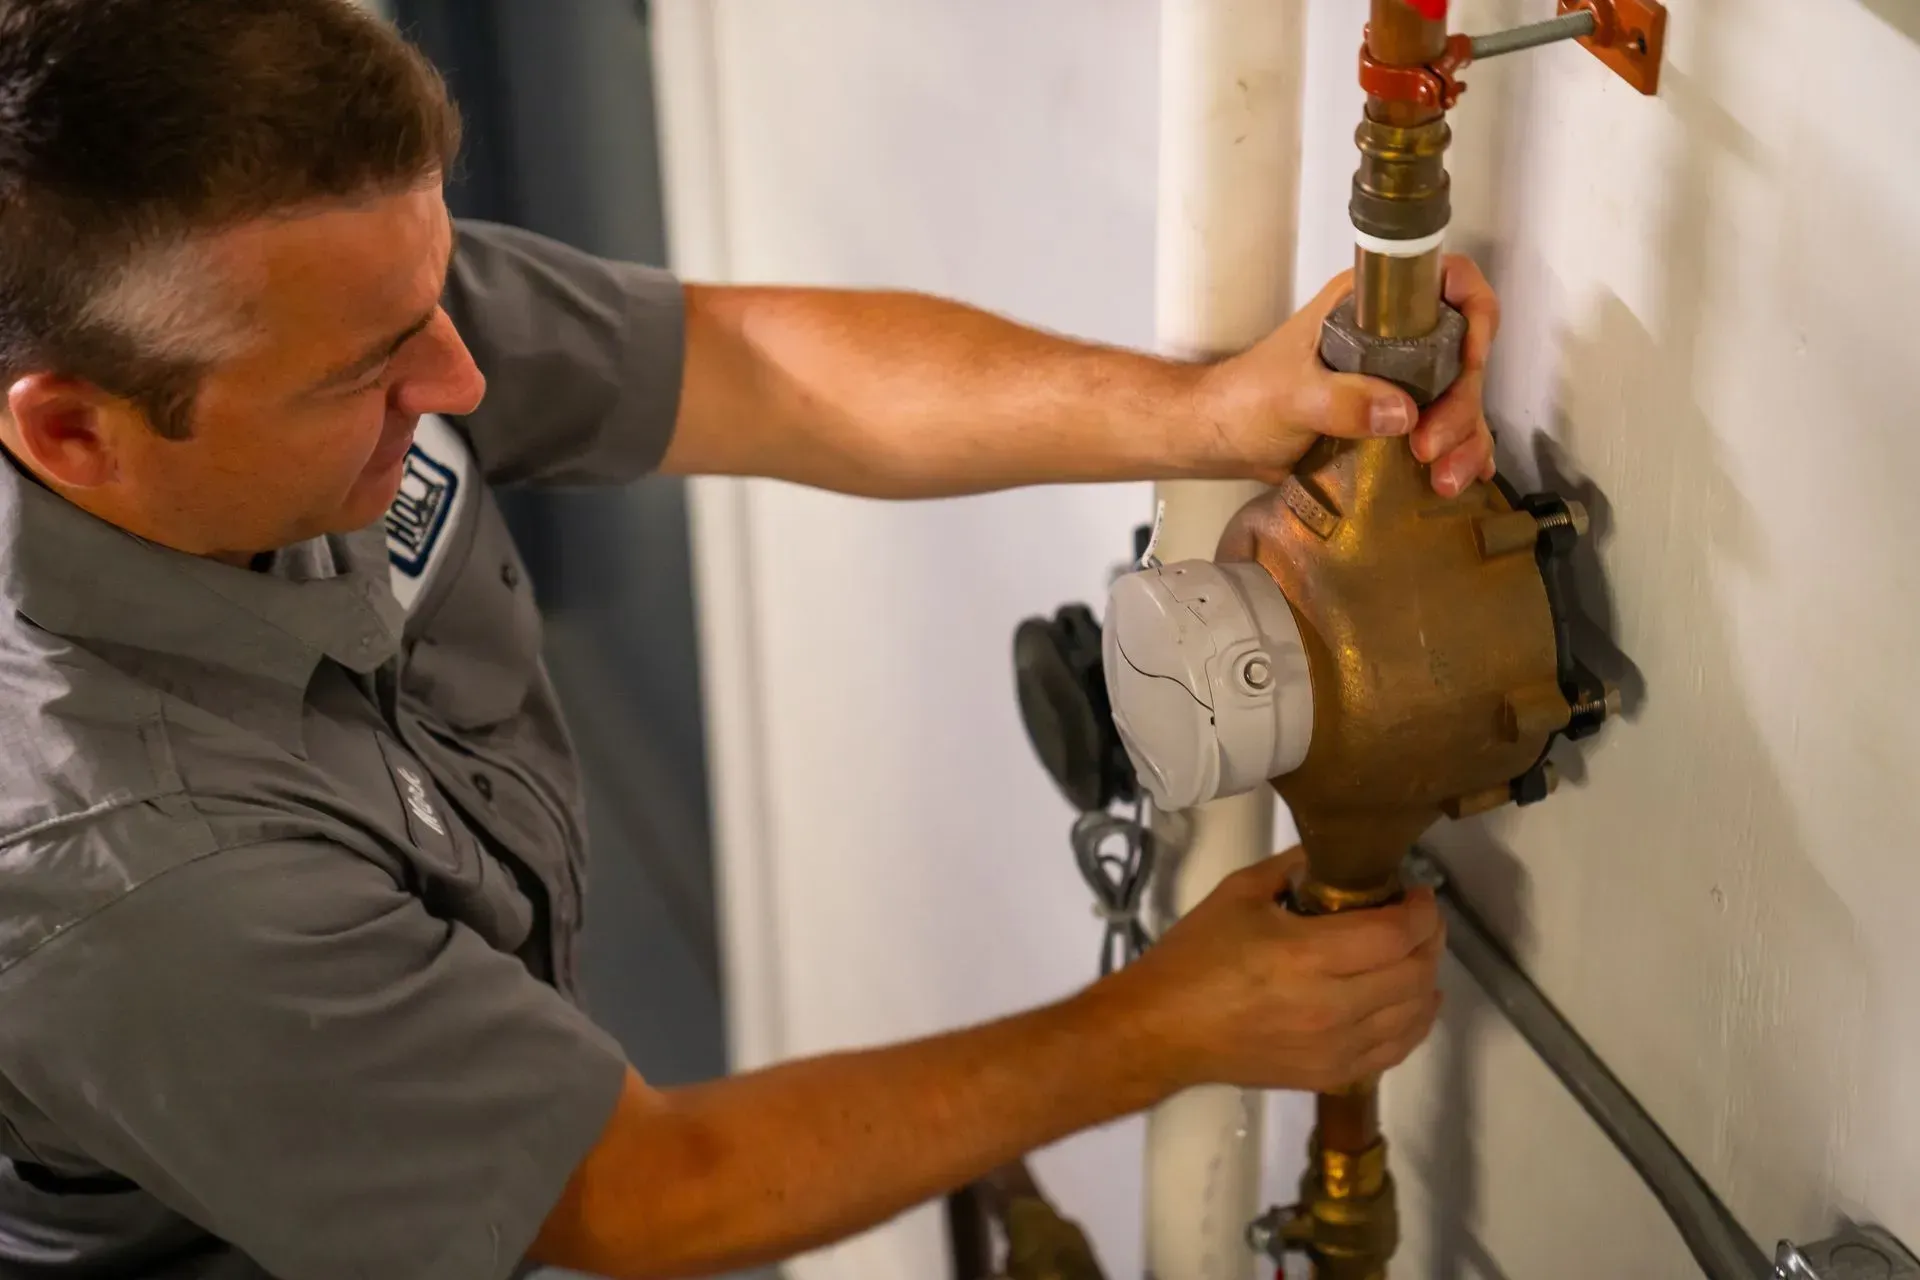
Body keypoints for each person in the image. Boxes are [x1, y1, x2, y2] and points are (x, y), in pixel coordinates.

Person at [0, 2, 1498, 1277]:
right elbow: (636, 1189)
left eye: (434, 298)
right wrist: (1161, 1028)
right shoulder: (130, 874)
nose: (459, 375)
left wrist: (1203, 409)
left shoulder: (290, 311)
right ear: (74, 433)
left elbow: (741, 366)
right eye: (375, 371)